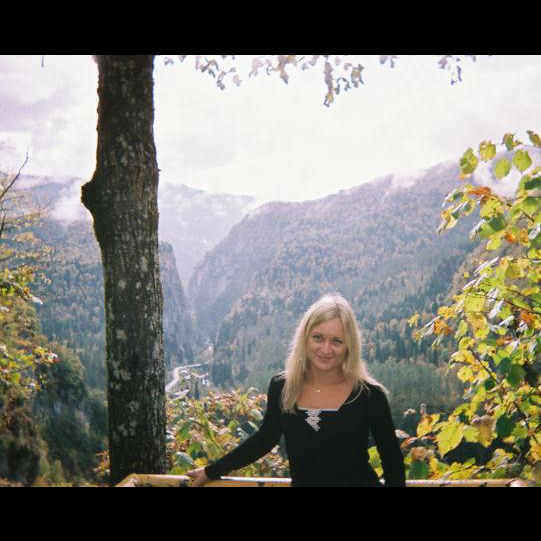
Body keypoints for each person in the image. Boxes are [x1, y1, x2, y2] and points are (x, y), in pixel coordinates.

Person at [187, 293, 406, 487]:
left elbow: (393, 462)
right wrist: (211, 471)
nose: (326, 349)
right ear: (305, 337)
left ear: (349, 345)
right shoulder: (283, 387)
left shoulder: (368, 395)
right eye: (318, 337)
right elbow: (264, 440)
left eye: (337, 341)